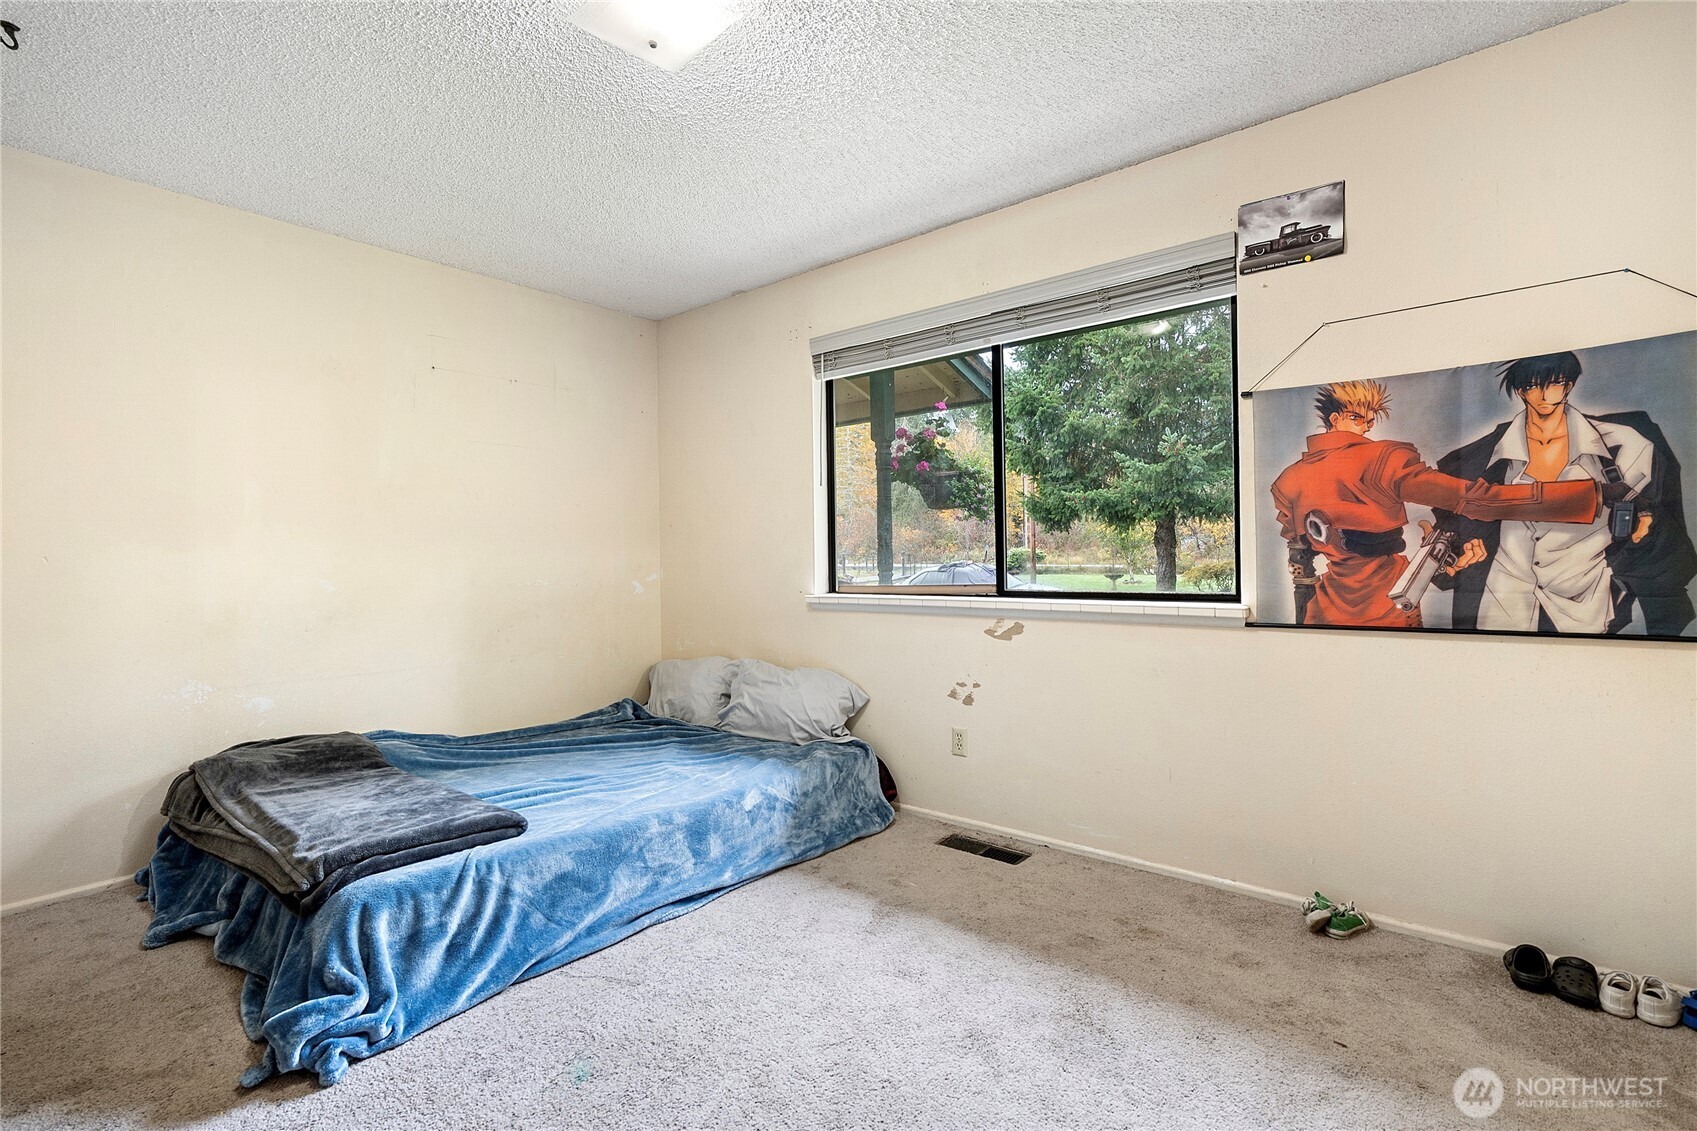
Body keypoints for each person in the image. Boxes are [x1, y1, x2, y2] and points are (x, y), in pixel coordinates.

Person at [1270, 380, 1600, 628]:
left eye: (1370, 421)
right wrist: (1584, 498)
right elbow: (1477, 502)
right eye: (1360, 419)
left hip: (1324, 609)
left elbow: (1300, 555)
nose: (1367, 428)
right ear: (1336, 417)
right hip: (1387, 607)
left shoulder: (1287, 480)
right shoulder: (1380, 459)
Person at [1434, 352, 1696, 635]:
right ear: (1521, 391)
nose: (1544, 394)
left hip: (1584, 603)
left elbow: (1656, 527)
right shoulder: (1483, 457)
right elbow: (1460, 539)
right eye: (1532, 386)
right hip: (1504, 601)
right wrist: (1452, 555)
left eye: (1554, 383)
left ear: (1568, 385)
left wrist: (1642, 529)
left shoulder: (1624, 446)